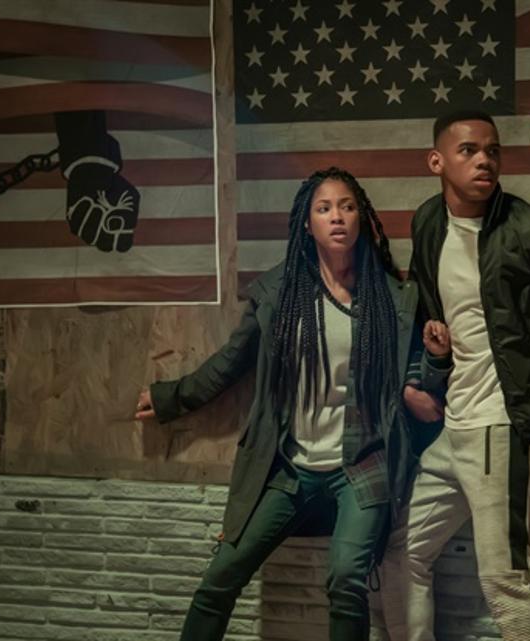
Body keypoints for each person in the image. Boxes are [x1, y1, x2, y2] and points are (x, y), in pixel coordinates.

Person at [134, 167, 446, 641]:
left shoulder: (392, 298)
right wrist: (170, 398)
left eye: (347, 207)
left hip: (362, 465)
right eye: (324, 208)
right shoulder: (280, 294)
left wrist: (436, 366)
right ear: (307, 223)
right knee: (220, 578)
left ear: (361, 218)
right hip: (289, 467)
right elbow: (231, 362)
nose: (337, 217)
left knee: (346, 580)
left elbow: (418, 376)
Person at [381, 110, 530, 641]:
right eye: (468, 150)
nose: (484, 160)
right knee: (401, 552)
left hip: (507, 425)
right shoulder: (428, 223)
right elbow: (432, 316)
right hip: (455, 425)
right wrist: (433, 364)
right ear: (436, 161)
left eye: (492, 150)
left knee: (506, 581)